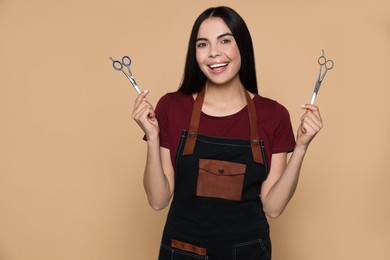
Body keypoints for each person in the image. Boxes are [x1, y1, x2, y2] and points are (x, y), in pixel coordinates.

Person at [132, 6, 323, 260]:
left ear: (242, 46)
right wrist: (153, 138)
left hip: (248, 253)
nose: (214, 53)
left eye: (225, 40)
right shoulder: (172, 107)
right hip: (184, 251)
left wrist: (301, 147)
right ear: (195, 53)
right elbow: (158, 200)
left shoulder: (273, 115)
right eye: (203, 44)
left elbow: (273, 208)